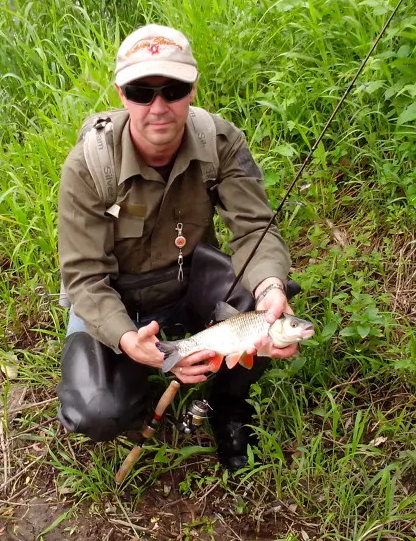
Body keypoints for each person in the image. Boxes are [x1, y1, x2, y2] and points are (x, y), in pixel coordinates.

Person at [56, 24, 297, 471]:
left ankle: (227, 404)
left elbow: (254, 230)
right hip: (118, 299)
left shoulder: (220, 142)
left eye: (173, 89)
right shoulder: (89, 165)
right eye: (142, 91)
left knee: (264, 295)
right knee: (96, 412)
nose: (159, 107)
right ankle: (140, 384)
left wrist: (269, 290)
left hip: (190, 283)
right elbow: (85, 278)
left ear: (193, 87)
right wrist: (131, 342)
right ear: (121, 94)